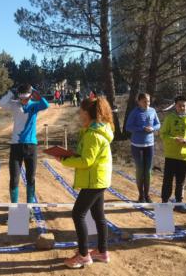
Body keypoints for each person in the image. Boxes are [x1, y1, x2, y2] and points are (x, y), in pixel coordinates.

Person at [58, 97, 114, 268]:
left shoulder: (93, 135)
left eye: (81, 111)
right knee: (98, 215)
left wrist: (64, 160)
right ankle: (102, 252)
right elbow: (87, 156)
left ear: (87, 112)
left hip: (94, 180)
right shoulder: (97, 130)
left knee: (78, 214)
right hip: (99, 178)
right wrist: (72, 155)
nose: (79, 113)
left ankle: (83, 255)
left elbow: (86, 161)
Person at [0, 83, 49, 204]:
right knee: (14, 178)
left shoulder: (34, 106)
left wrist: (35, 92)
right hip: (16, 146)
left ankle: (29, 207)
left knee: (30, 178)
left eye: (26, 99)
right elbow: (1, 103)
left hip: (31, 146)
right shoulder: (15, 105)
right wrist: (12, 92)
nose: (23, 101)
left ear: (30, 96)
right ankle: (14, 207)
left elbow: (45, 104)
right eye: (21, 98)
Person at [160, 95, 186, 213]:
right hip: (171, 154)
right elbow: (163, 134)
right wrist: (173, 139)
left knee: (180, 181)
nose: (182, 107)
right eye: (179, 105)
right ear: (175, 105)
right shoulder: (169, 118)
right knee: (168, 179)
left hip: (184, 155)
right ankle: (164, 202)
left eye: (184, 105)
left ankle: (179, 202)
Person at [125, 93, 161, 203]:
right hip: (137, 145)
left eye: (149, 101)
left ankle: (147, 195)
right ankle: (141, 195)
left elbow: (158, 124)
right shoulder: (135, 112)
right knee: (140, 170)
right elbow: (128, 127)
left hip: (149, 145)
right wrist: (142, 128)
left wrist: (153, 128)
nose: (147, 103)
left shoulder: (152, 111)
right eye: (145, 101)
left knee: (148, 171)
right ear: (139, 101)